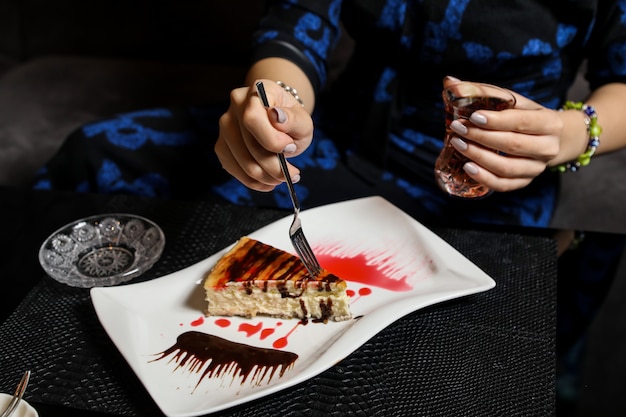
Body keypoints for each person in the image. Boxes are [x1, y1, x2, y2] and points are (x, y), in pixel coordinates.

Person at [32, 1, 626, 412]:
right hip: (334, 146)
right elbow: (297, 26)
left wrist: (573, 135)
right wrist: (275, 108)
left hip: (488, 185)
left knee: (451, 367)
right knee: (96, 154)